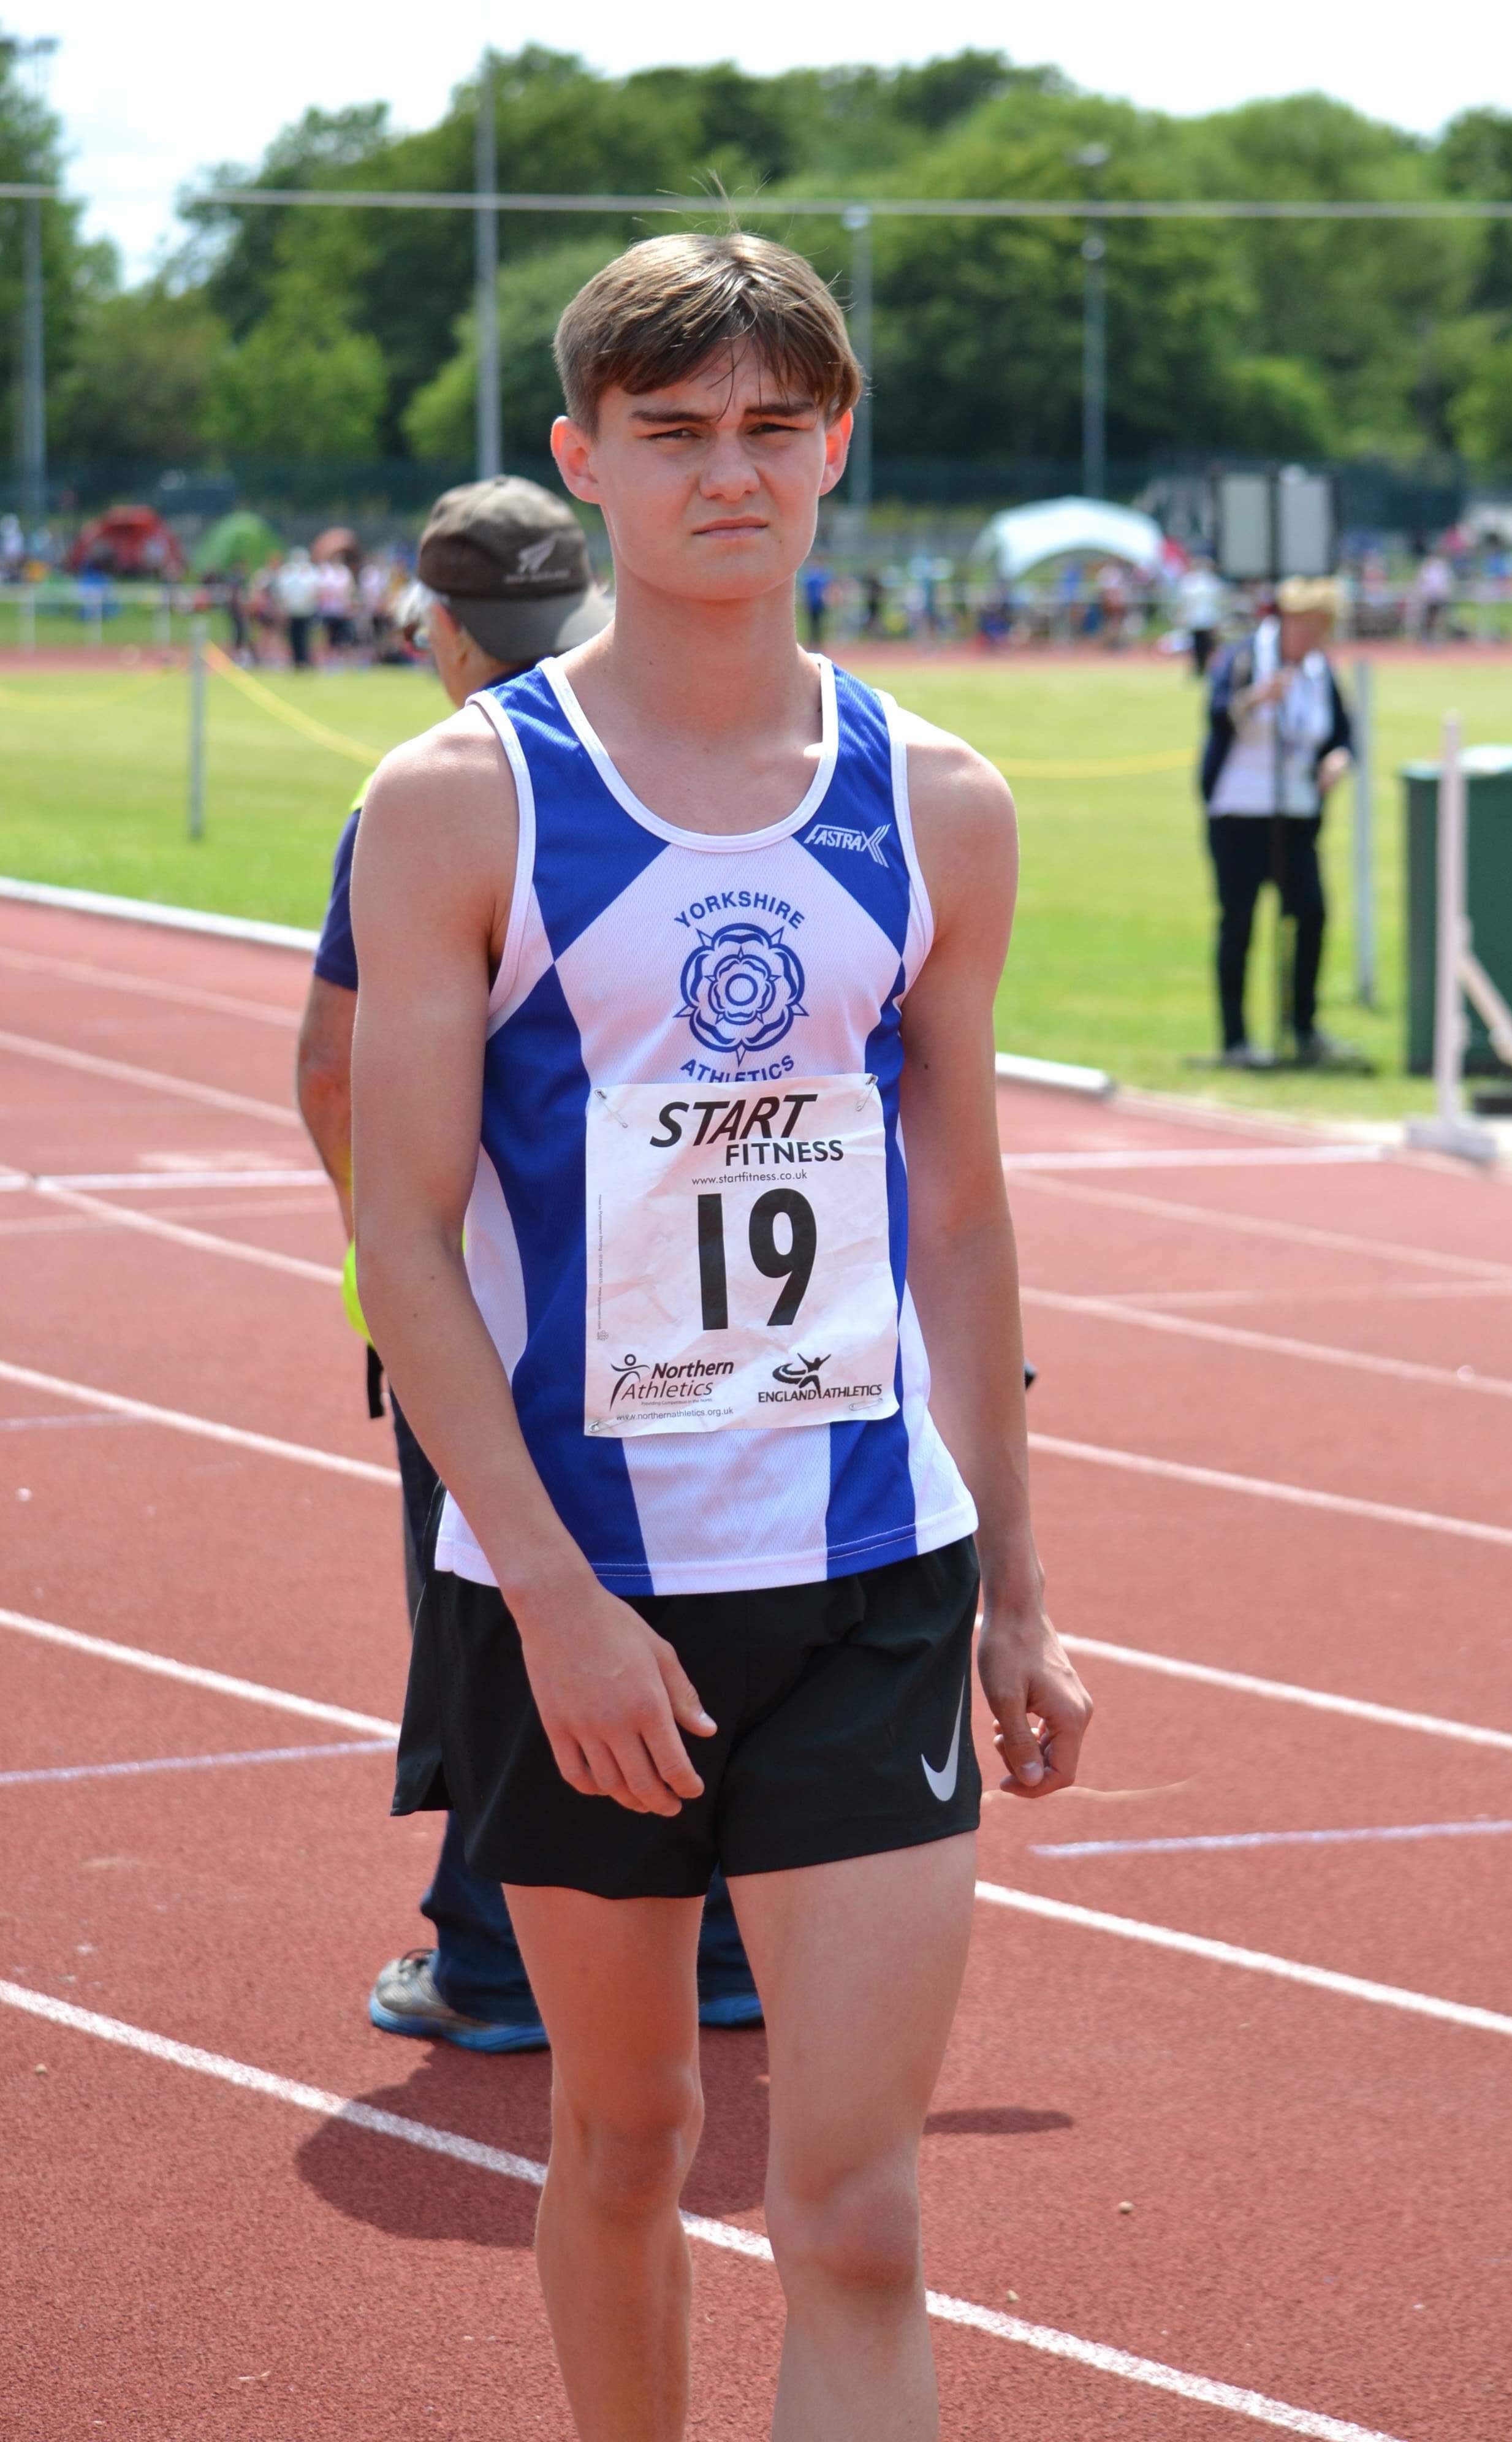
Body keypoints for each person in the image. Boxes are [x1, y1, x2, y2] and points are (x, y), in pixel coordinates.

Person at [349, 232, 1091, 2439]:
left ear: (836, 442)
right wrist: (553, 1599)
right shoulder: (462, 800)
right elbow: (401, 1224)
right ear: (583, 459)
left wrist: (1019, 1590)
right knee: (628, 2138)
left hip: (867, 1577)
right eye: (672, 432)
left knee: (853, 2210)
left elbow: (961, 1214)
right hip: (571, 1595)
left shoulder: (937, 800)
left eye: (773, 426)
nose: (729, 473)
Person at [297, 476, 761, 2045]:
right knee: (722, 1580)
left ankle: (495, 1959)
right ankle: (723, 1947)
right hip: (716, 1282)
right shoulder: (692, 776)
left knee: (495, 1606)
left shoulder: (435, 796)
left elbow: (335, 1067)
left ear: (438, 631)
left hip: (501, 1297)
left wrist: (390, 1258)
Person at [1198, 576, 1354, 1068]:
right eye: (1305, 624)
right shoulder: (1245, 658)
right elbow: (1216, 713)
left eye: (1321, 628)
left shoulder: (1320, 672)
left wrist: (1338, 759)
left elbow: (1343, 733)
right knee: (1238, 923)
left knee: (1311, 915)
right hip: (1239, 812)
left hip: (1297, 815)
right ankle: (1235, 1040)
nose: (1311, 636)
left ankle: (1303, 1029)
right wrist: (1255, 698)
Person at [1174, 554, 1224, 676]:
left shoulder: (1197, 582)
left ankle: (1203, 668)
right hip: (1200, 619)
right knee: (1200, 645)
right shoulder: (1207, 582)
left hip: (1204, 619)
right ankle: (1201, 668)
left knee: (1203, 645)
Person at [274, 545, 321, 669]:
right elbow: (283, 591)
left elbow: (314, 591)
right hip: (293, 611)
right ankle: (296, 660)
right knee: (294, 637)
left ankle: (305, 660)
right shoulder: (288, 572)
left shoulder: (311, 573)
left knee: (305, 637)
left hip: (306, 610)